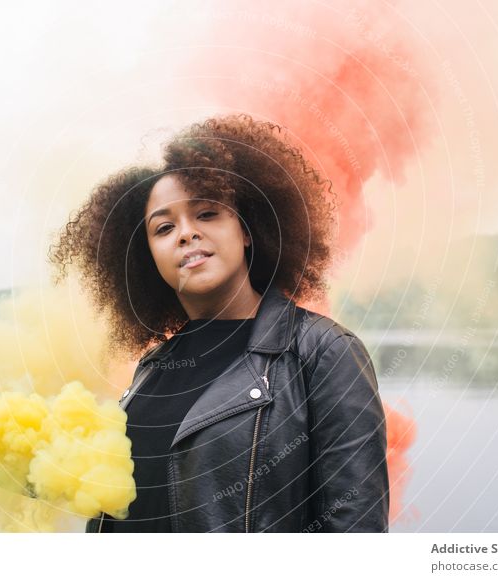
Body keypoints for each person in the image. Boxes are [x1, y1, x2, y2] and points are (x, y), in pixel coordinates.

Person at [50, 113, 389, 532]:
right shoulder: (152, 369)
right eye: (164, 227)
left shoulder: (323, 353)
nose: (186, 234)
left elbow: (355, 532)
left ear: (247, 230)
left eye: (207, 214)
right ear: (148, 257)